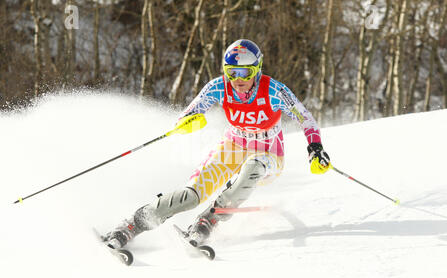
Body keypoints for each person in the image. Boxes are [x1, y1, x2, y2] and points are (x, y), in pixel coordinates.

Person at [104, 39, 331, 249]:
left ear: (256, 69)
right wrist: (188, 121)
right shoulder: (219, 86)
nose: (238, 79)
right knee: (191, 196)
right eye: (231, 72)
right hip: (233, 146)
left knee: (252, 168)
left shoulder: (275, 90)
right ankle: (132, 224)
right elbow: (192, 110)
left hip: (268, 152)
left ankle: (208, 220)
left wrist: (316, 148)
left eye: (244, 72)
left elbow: (305, 117)